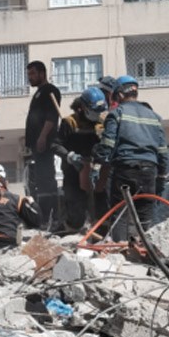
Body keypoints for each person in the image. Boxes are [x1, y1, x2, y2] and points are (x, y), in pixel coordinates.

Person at [94, 75, 169, 241]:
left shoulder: (117, 114)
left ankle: (120, 252)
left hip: (125, 170)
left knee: (120, 215)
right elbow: (163, 151)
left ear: (119, 95)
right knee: (145, 217)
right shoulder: (154, 117)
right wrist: (161, 179)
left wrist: (96, 159)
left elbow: (107, 145)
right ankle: (144, 250)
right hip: (149, 172)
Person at [51, 87, 108, 231]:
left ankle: (101, 232)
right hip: (73, 171)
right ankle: (70, 228)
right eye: (94, 111)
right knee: (76, 210)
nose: (97, 115)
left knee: (101, 209)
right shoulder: (69, 123)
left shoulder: (101, 124)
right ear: (82, 107)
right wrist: (69, 156)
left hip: (96, 171)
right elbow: (55, 145)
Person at [24, 60, 63, 230]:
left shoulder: (50, 91)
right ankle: (45, 216)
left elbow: (51, 117)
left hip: (45, 144)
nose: (30, 78)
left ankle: (50, 216)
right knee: (39, 180)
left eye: (33, 74)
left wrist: (42, 137)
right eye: (29, 74)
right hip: (36, 145)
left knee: (47, 180)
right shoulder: (38, 93)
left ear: (42, 73)